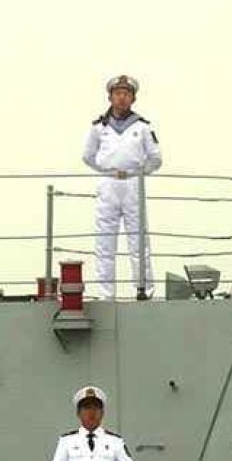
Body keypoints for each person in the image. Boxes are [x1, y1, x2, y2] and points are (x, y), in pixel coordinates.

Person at [81, 75, 162, 300]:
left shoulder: (142, 127)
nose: (122, 97)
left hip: (133, 183)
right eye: (118, 93)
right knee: (105, 240)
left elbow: (156, 158)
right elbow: (87, 156)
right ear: (110, 96)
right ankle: (106, 294)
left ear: (133, 98)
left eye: (126, 93)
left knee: (139, 240)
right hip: (109, 183)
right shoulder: (99, 128)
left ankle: (144, 289)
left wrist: (139, 172)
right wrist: (106, 170)